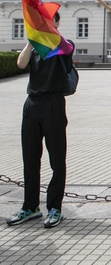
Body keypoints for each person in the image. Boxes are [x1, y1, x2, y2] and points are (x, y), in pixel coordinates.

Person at [7, 12, 73, 229]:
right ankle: (30, 206)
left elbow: (68, 50)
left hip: (54, 104)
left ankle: (55, 208)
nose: (44, 22)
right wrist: (30, 41)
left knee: (56, 159)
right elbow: (20, 63)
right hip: (32, 104)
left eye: (49, 19)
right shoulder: (34, 47)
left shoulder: (63, 45)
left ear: (57, 22)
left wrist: (50, 33)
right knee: (30, 158)